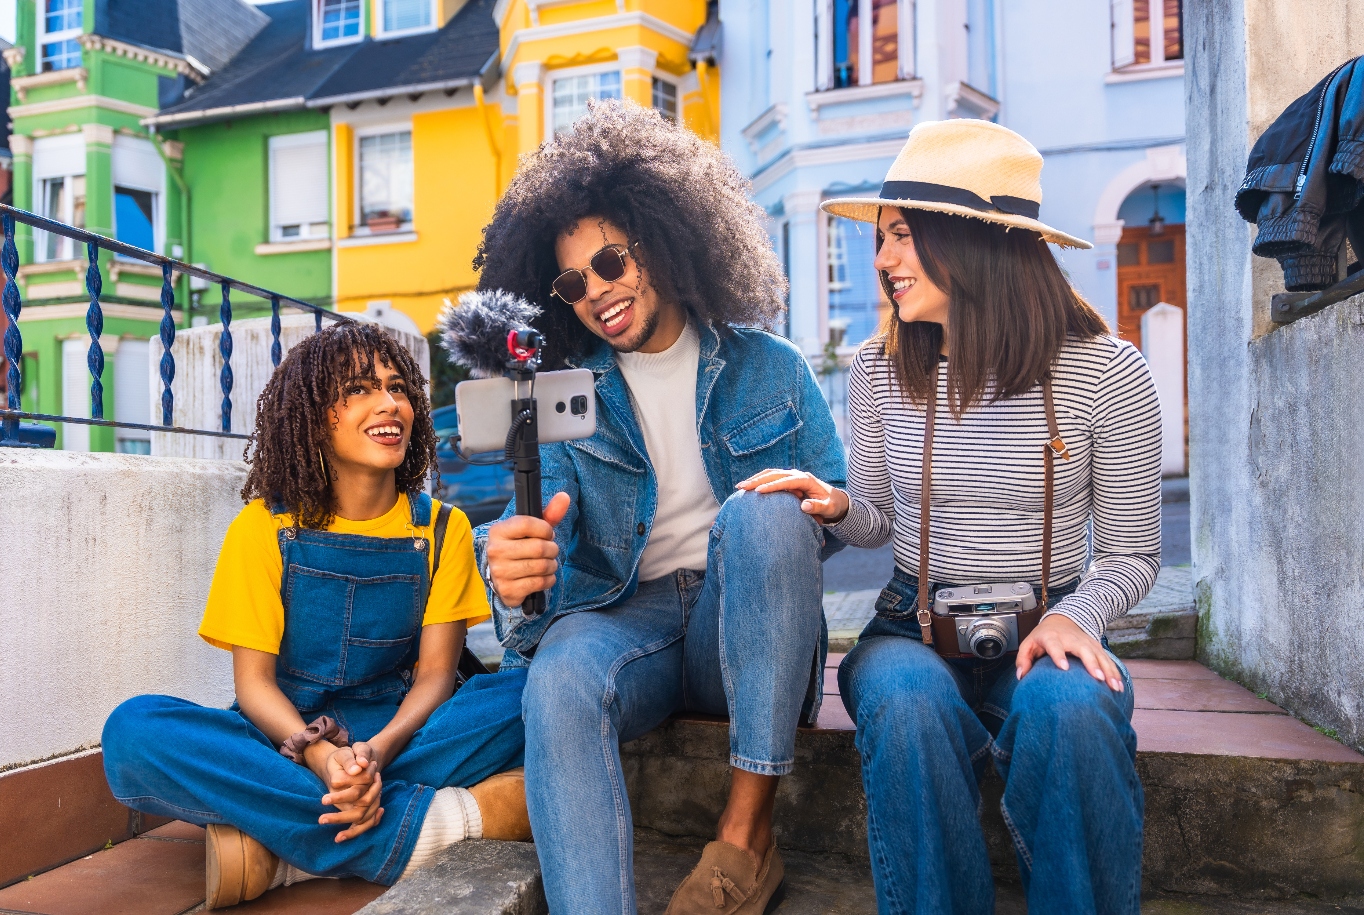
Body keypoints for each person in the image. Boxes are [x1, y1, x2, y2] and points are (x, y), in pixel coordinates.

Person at [755, 119, 1161, 914]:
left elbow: (1133, 554)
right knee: (904, 705)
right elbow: (875, 522)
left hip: (1053, 619)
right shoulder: (877, 370)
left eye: (902, 236)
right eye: (881, 239)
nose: (881, 262)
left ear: (973, 242)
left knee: (1072, 713)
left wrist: (1079, 616)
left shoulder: (1107, 372)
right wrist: (836, 502)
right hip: (911, 623)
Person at [472, 99, 848, 915]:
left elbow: (837, 513)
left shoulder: (773, 368)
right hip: (626, 619)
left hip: (739, 628)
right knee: (561, 673)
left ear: (670, 239)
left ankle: (746, 843)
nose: (596, 292)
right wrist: (508, 564)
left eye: (611, 261)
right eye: (572, 282)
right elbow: (525, 542)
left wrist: (824, 507)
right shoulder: (562, 400)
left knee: (767, 509)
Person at [101, 321, 530, 909]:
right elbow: (253, 685)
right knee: (134, 732)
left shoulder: (441, 530)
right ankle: (434, 824)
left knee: (535, 693)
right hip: (286, 738)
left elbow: (435, 676)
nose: (389, 404)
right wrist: (324, 758)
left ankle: (283, 847)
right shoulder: (263, 528)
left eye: (397, 387)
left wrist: (373, 753)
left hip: (403, 734)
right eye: (358, 390)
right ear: (311, 419)